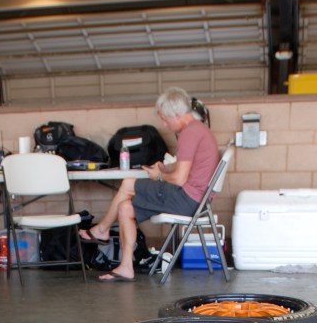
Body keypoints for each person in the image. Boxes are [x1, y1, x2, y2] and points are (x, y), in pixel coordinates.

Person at [80, 87, 219, 282]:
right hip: (197, 201)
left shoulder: (188, 134)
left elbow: (180, 178)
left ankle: (102, 230)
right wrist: (164, 168)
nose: (164, 124)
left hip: (187, 199)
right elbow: (184, 167)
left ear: (177, 115)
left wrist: (159, 176)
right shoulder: (199, 129)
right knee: (125, 207)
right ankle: (126, 266)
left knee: (128, 183)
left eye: (165, 119)